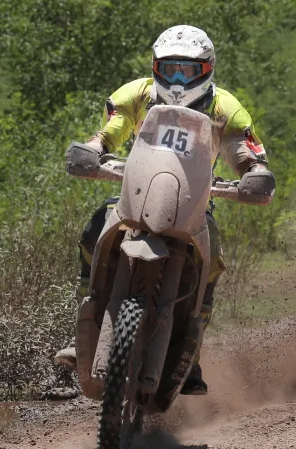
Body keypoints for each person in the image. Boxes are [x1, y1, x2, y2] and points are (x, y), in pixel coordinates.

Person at [54, 25, 271, 395]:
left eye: (188, 70)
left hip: (194, 201)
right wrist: (95, 148)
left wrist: (253, 170)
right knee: (94, 231)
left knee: (212, 260)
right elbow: (112, 128)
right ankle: (85, 330)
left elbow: (241, 148)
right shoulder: (136, 93)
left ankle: (191, 354)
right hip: (137, 191)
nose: (178, 80)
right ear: (156, 66)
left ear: (207, 69)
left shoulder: (225, 107)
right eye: (170, 69)